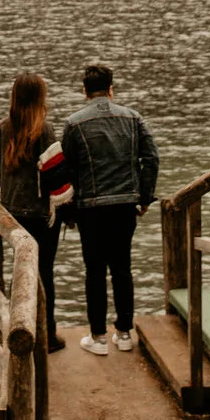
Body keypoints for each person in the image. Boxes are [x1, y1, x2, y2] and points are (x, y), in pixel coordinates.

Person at [56, 61, 158, 356]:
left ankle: (98, 337)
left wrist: (69, 211)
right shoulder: (133, 118)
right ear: (111, 89)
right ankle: (125, 333)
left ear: (84, 91)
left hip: (91, 209)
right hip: (125, 204)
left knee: (95, 271)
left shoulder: (74, 123)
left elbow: (67, 170)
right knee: (123, 268)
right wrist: (144, 197)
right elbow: (151, 158)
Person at [0, 73, 66, 351]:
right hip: (40, 214)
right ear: (39, 98)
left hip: (12, 214)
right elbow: (55, 173)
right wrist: (65, 205)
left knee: (20, 274)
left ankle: (19, 328)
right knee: (44, 273)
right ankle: (47, 335)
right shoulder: (44, 131)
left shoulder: (2, 129)